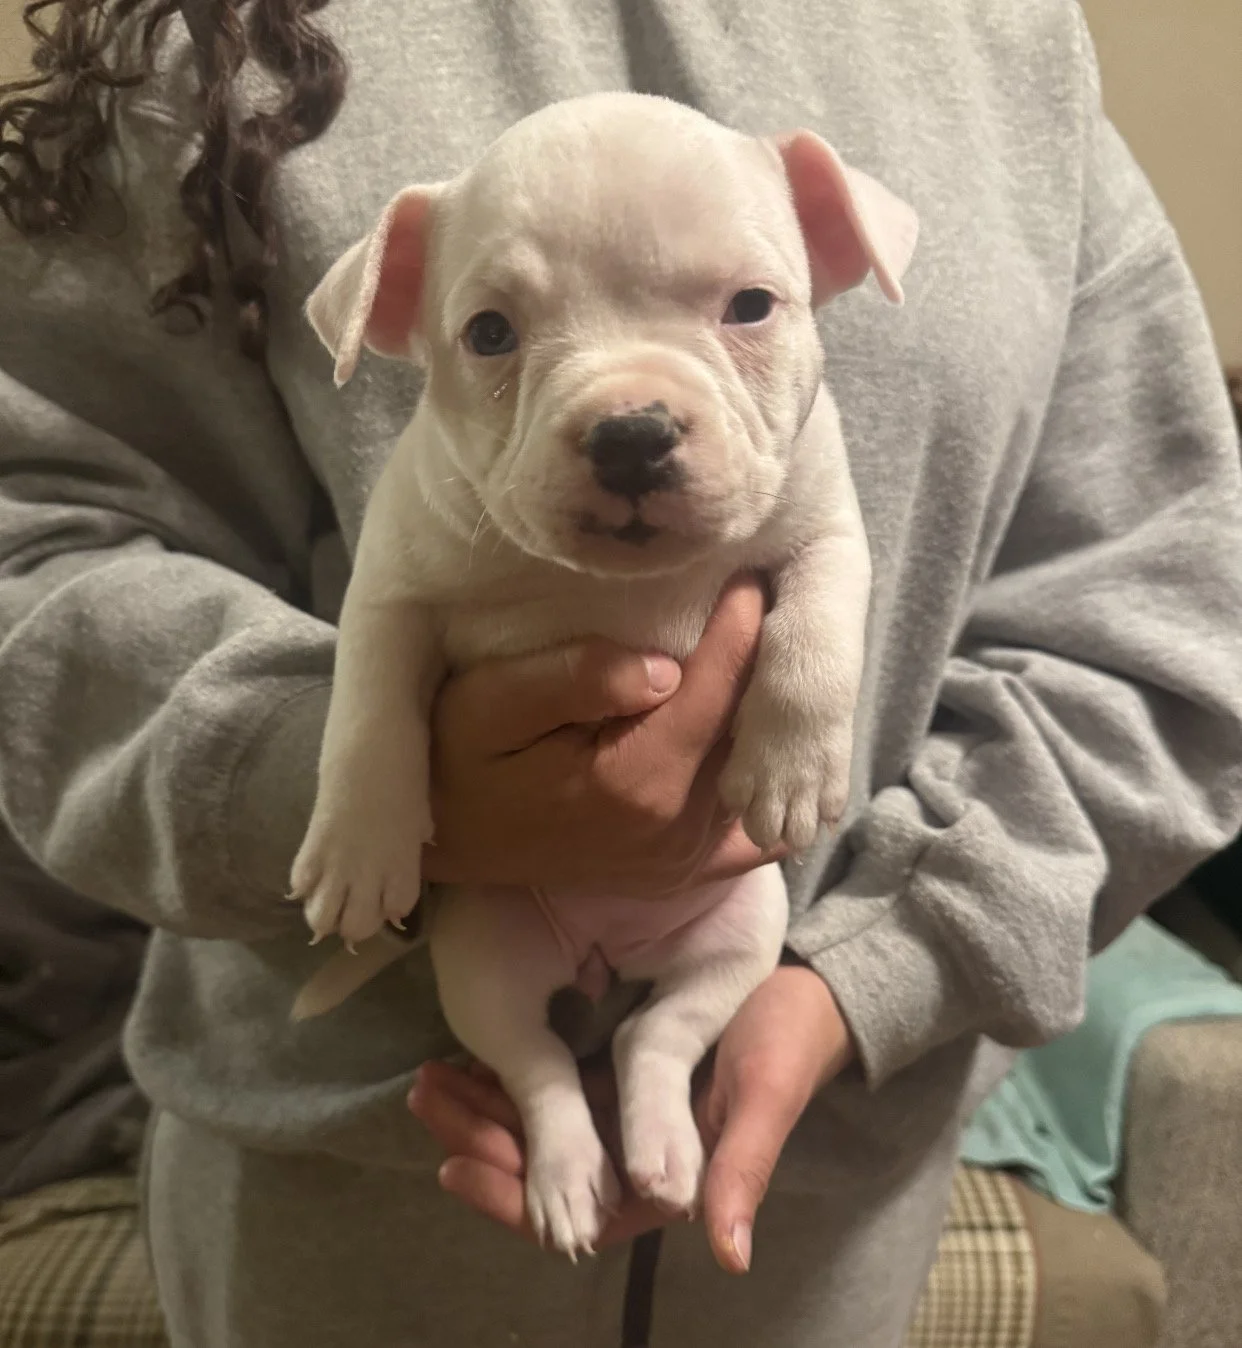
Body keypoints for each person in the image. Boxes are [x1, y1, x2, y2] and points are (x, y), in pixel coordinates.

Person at [1, 1, 1239, 1344]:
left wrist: (878, 964)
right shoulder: (217, 43)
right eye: (498, 333)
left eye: (746, 308)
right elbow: (39, 552)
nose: (632, 414)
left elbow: (1164, 608)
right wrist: (351, 780)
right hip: (341, 1210)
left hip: (817, 1221)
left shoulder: (1006, 42)